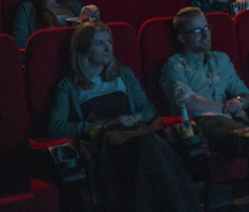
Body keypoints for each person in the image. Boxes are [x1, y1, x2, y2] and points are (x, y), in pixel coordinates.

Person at [49, 22, 201, 211]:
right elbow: (56, 127)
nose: (108, 48)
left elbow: (148, 110)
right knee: (150, 145)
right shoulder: (69, 86)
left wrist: (136, 117)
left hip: (134, 132)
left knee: (149, 145)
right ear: (84, 48)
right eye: (99, 43)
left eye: (109, 42)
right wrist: (98, 125)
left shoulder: (123, 74)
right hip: (103, 141)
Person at [161, 8, 249, 212]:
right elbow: (187, 103)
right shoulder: (175, 64)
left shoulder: (221, 59)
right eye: (198, 31)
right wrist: (226, 109)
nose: (207, 34)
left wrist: (237, 102)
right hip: (206, 125)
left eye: (207, 28)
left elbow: (245, 94)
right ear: (182, 38)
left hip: (237, 123)